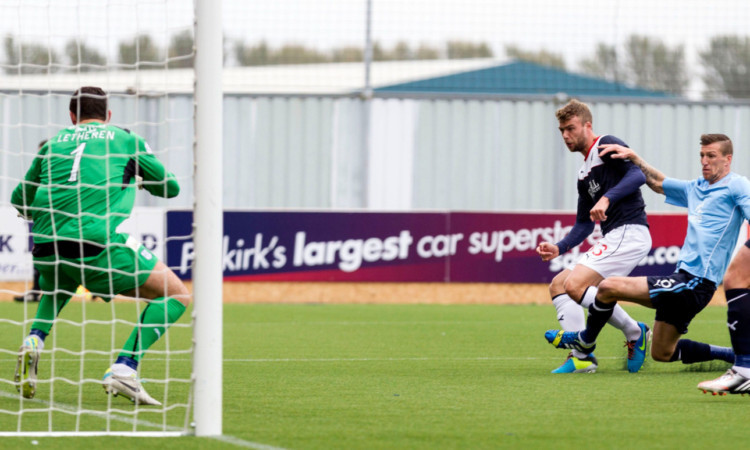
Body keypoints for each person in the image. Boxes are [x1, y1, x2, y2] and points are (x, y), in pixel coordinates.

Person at [10, 86, 189, 406]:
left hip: (47, 247)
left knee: (58, 286)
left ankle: (33, 340)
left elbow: (18, 200)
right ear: (108, 115)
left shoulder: (52, 144)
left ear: (71, 116)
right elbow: (170, 188)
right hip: (93, 244)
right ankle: (125, 368)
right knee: (176, 293)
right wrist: (140, 174)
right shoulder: (125, 140)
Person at [546, 134, 742, 374]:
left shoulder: (737, 185)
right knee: (662, 353)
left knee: (608, 287)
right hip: (683, 280)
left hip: (696, 282)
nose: (704, 161)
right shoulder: (697, 188)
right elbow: (658, 183)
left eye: (711, 156)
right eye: (702, 155)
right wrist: (634, 157)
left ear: (727, 159)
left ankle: (585, 341)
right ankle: (734, 355)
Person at [536, 99, 651, 373]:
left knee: (575, 285)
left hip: (630, 232)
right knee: (559, 285)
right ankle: (583, 358)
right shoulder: (583, 173)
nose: (565, 135)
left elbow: (637, 175)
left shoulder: (605, 145)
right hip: (613, 237)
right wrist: (559, 246)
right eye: (561, 130)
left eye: (571, 128)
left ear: (588, 125)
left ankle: (635, 333)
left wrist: (607, 199)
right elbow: (583, 225)